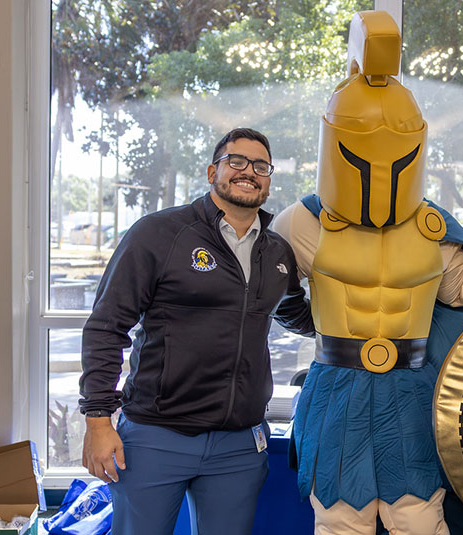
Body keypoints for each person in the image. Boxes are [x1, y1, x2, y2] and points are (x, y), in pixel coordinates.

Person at [272, 11, 463, 535]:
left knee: (419, 519)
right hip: (338, 384)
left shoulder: (431, 226)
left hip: (414, 388)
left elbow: (460, 289)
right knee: (340, 520)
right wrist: (308, 320)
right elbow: (268, 287)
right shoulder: (302, 221)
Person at [78, 127, 314, 534]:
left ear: (269, 179)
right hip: (156, 435)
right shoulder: (159, 234)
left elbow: (294, 313)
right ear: (212, 172)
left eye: (261, 165)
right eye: (235, 161)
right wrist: (99, 421)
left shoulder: (276, 251)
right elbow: (106, 325)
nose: (248, 171)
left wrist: (360, 325)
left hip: (239, 444)